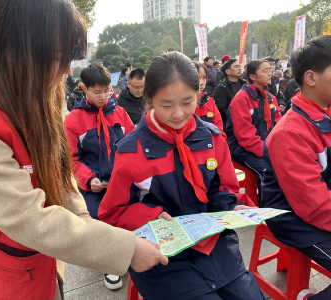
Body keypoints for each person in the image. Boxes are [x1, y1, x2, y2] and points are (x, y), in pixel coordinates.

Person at [0, 1, 168, 300]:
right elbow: (25, 216)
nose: (67, 70)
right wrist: (126, 248)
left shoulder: (39, 89)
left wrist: (80, 214)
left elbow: (58, 165)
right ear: (18, 47)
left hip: (37, 258)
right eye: (59, 57)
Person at [98, 51, 265, 300]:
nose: (178, 114)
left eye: (188, 102)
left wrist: (232, 207)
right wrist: (151, 214)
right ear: (149, 98)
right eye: (166, 105)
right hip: (161, 255)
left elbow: (224, 190)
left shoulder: (212, 138)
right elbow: (113, 213)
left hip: (214, 246)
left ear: (199, 93)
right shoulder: (131, 150)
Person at [262, 35, 331, 300]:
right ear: (311, 78)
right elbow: (313, 205)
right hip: (293, 217)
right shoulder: (290, 133)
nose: (269, 74)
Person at [63, 62, 136, 289]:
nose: (104, 96)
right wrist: (88, 179)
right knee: (102, 218)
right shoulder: (74, 120)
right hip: (92, 186)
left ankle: (131, 253)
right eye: (97, 92)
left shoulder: (120, 113)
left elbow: (133, 145)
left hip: (120, 180)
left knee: (134, 209)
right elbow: (70, 159)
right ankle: (110, 264)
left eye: (107, 90)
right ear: (84, 88)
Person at [226, 59, 282, 204]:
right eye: (265, 71)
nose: (270, 74)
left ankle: (284, 206)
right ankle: (268, 211)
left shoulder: (271, 98)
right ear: (252, 76)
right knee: (267, 171)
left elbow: (279, 127)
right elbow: (245, 137)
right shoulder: (241, 99)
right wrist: (268, 152)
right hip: (242, 149)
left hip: (265, 147)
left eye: (270, 70)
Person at [193, 62, 226, 139]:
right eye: (197, 78)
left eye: (204, 77)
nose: (201, 82)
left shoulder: (209, 102)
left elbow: (219, 131)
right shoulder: (180, 104)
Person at [213, 59, 245, 132]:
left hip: (247, 123)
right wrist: (238, 118)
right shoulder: (221, 88)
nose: (239, 68)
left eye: (239, 66)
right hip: (231, 127)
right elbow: (221, 110)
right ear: (228, 71)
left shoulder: (245, 85)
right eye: (236, 67)